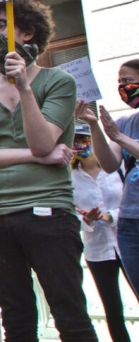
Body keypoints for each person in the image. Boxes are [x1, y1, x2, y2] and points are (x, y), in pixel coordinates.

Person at [0, 0, 95, 341]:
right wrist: (35, 158)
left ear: (28, 32)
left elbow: (43, 142)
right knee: (16, 320)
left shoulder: (57, 81)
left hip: (49, 212)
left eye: (0, 25)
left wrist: (23, 84)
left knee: (70, 316)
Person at [78, 58, 139, 297]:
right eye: (119, 82)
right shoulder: (125, 123)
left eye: (128, 81)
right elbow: (109, 164)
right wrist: (93, 126)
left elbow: (122, 144)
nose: (123, 88)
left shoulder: (122, 131)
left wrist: (120, 138)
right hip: (129, 221)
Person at [69, 123, 129, 342]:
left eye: (83, 139)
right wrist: (86, 219)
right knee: (113, 310)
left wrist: (109, 216)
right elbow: (70, 213)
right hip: (97, 250)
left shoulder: (116, 168)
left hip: (128, 243)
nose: (80, 145)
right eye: (74, 140)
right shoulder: (71, 177)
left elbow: (133, 203)